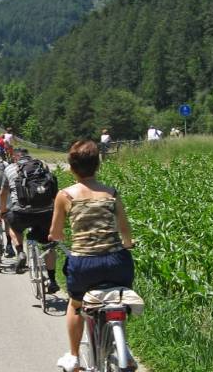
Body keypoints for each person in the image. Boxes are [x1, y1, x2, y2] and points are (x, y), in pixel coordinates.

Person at [51, 141, 136, 372]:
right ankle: (122, 346)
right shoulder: (111, 193)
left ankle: (74, 355)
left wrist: (57, 238)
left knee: (75, 305)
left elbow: (56, 233)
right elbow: (125, 229)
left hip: (84, 265)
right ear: (98, 165)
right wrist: (128, 244)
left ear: (71, 167)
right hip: (118, 263)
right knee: (118, 299)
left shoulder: (65, 195)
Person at [0, 148, 58, 289]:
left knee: (12, 225)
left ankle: (20, 252)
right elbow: (53, 187)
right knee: (47, 244)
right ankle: (52, 280)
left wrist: (3, 211)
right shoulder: (42, 166)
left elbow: (3, 192)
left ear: (15, 158)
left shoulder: (10, 169)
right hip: (46, 212)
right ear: (29, 157)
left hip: (21, 212)